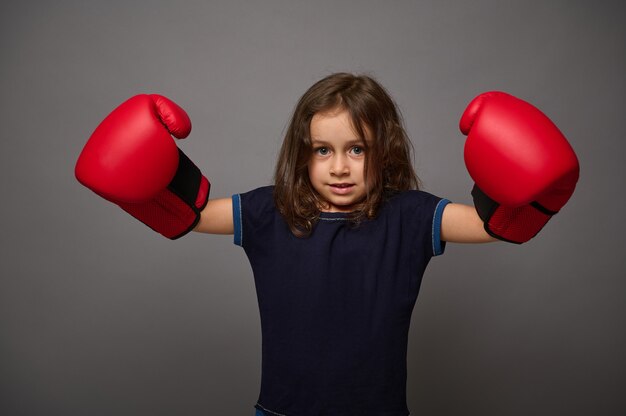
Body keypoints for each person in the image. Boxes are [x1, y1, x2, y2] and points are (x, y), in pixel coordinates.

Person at [75, 73, 579, 416]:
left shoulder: (410, 215)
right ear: (304, 154)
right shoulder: (268, 211)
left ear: (385, 151)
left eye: (357, 149)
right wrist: (133, 169)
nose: (340, 167)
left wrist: (531, 179)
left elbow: (500, 226)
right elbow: (182, 216)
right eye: (323, 150)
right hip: (281, 410)